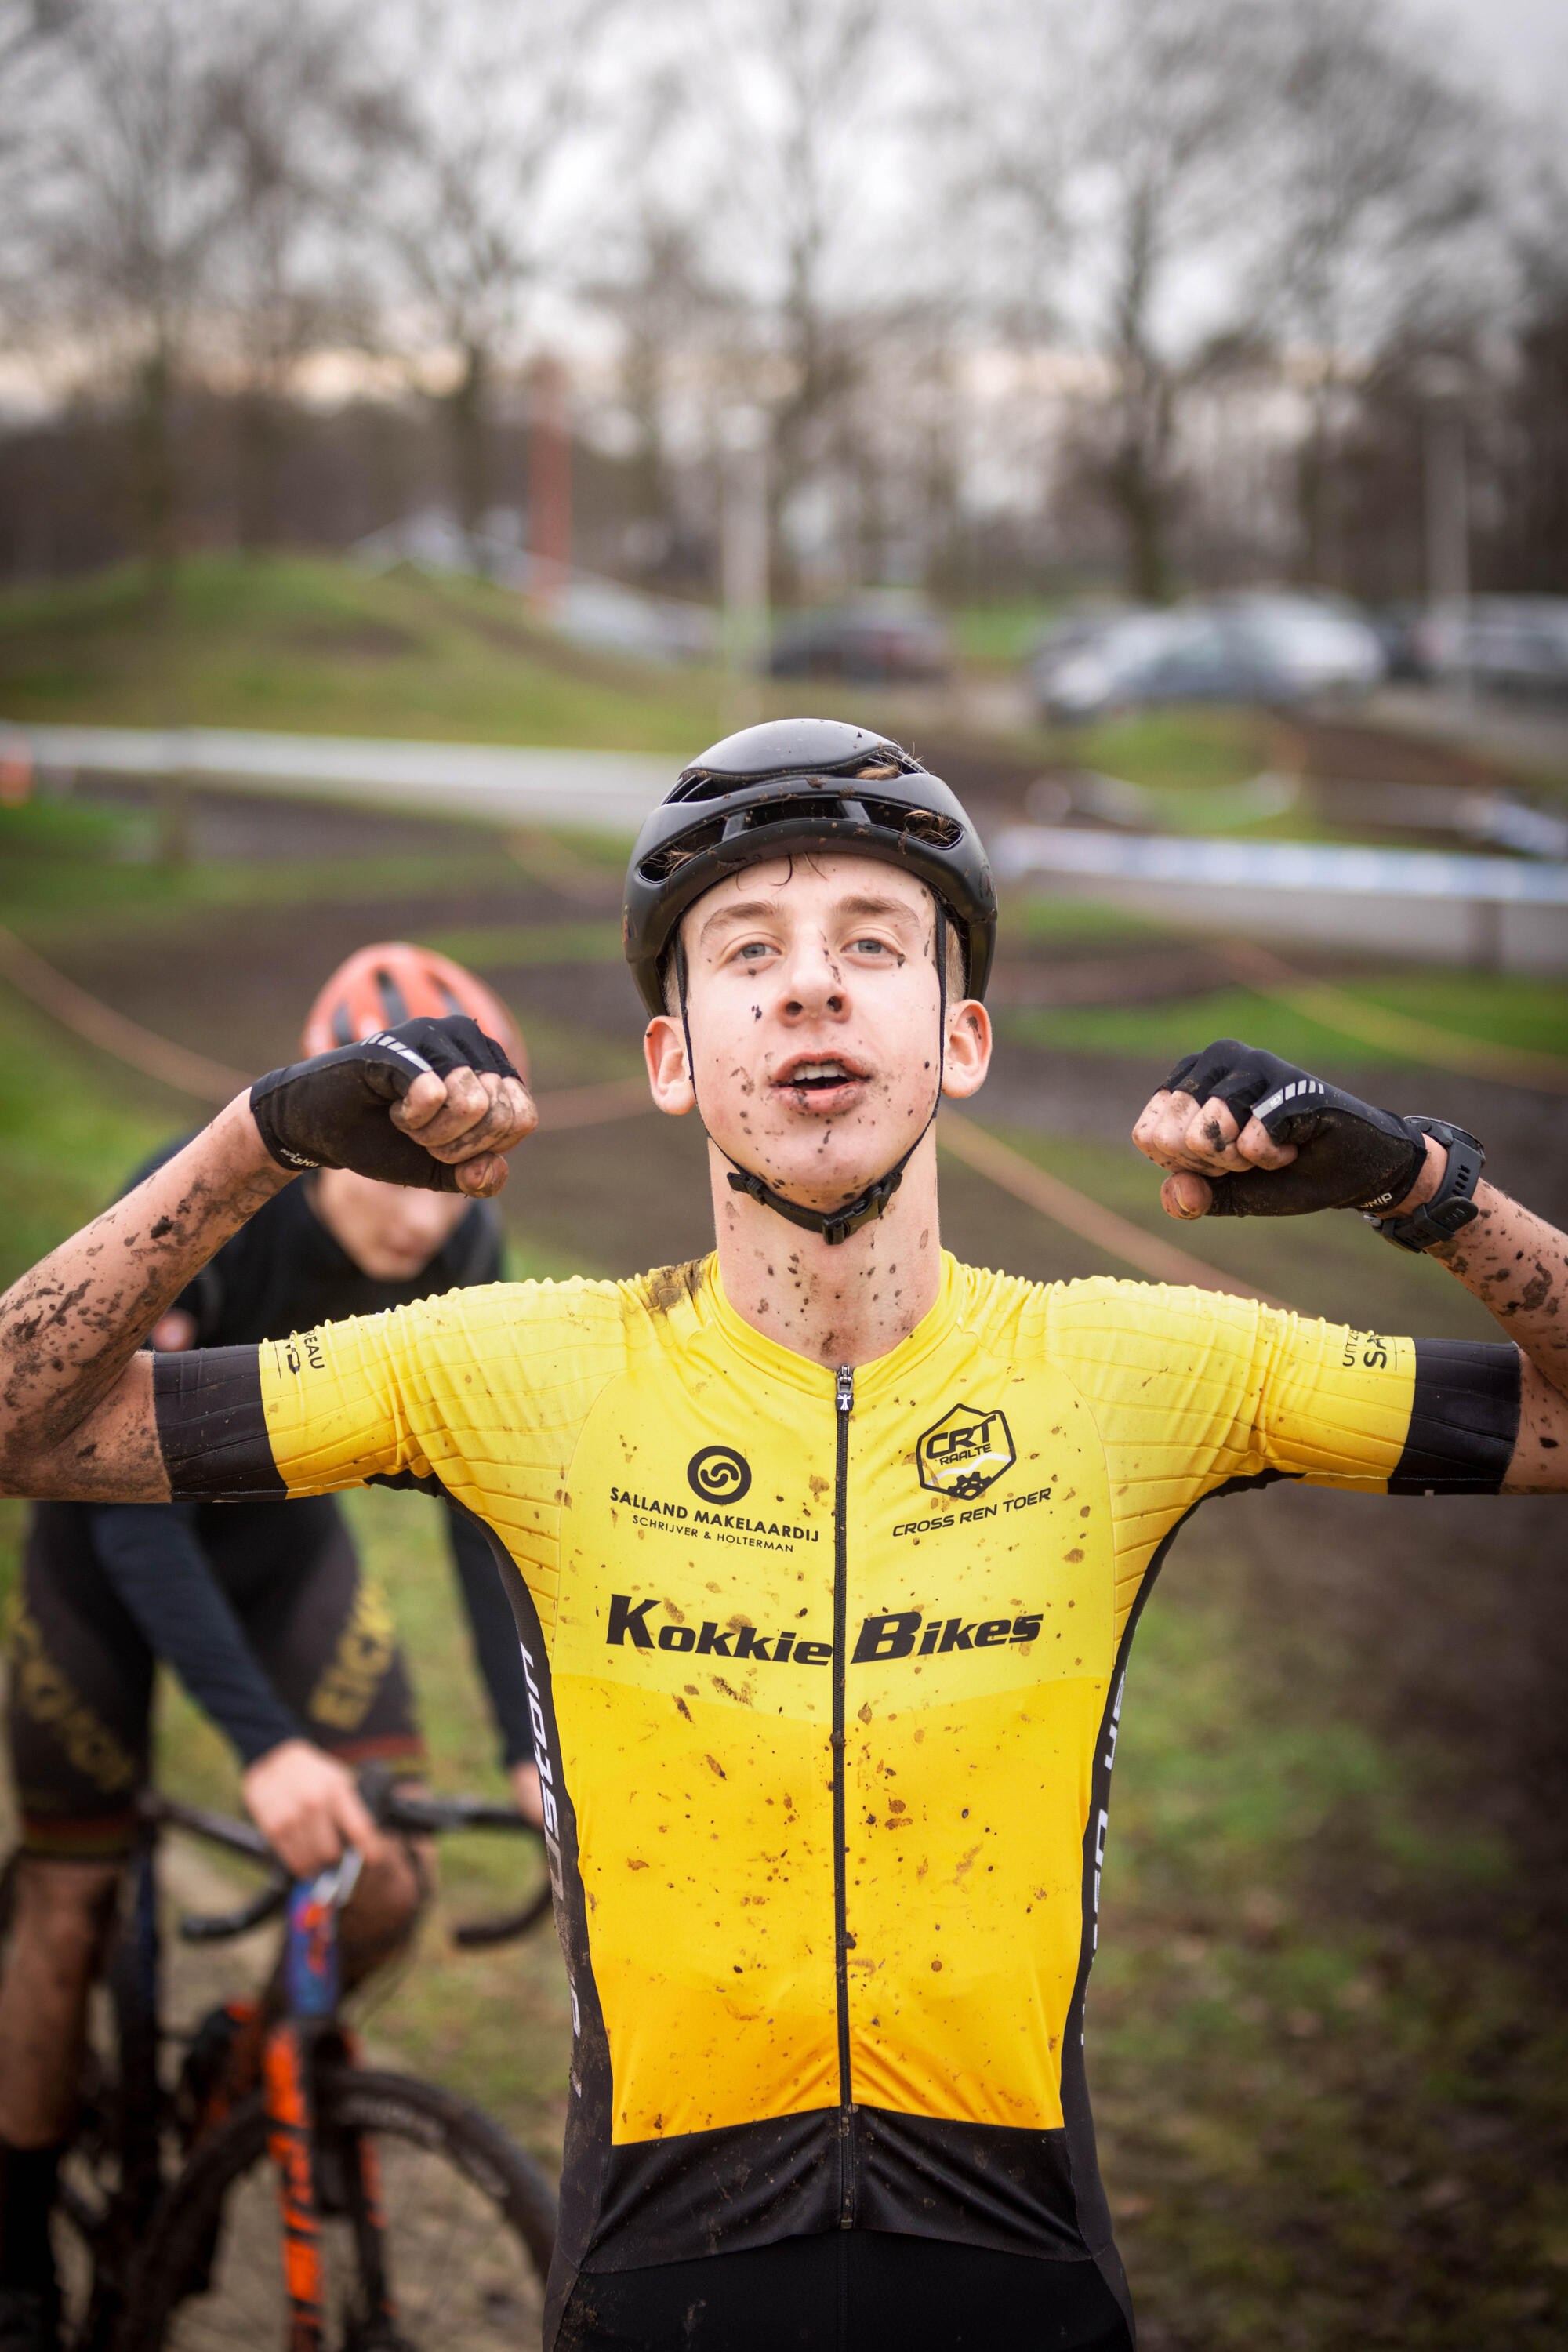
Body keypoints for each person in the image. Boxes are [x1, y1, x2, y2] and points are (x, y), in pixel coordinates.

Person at [0, 717, 1563, 2352]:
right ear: (672, 1057)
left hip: (1015, 2276)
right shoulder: (521, 1370)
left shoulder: (1137, 1368)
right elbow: (25, 1426)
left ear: (959, 1039)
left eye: (869, 945)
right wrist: (260, 1142)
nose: (811, 987)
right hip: (665, 2276)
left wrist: (1425, 1189)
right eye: (747, 951)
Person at [0, 943, 541, 2352]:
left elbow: (485, 1513)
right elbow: (128, 1518)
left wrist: (526, 1749)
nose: (419, 1218)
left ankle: (239, 2082)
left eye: (446, 1181)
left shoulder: (467, 1246)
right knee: (66, 1907)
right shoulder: (208, 1213)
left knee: (384, 1882)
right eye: (386, 1169)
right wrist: (266, 1750)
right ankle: (10, 2247)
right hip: (108, 1562)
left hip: (290, 1557)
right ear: (329, 1132)